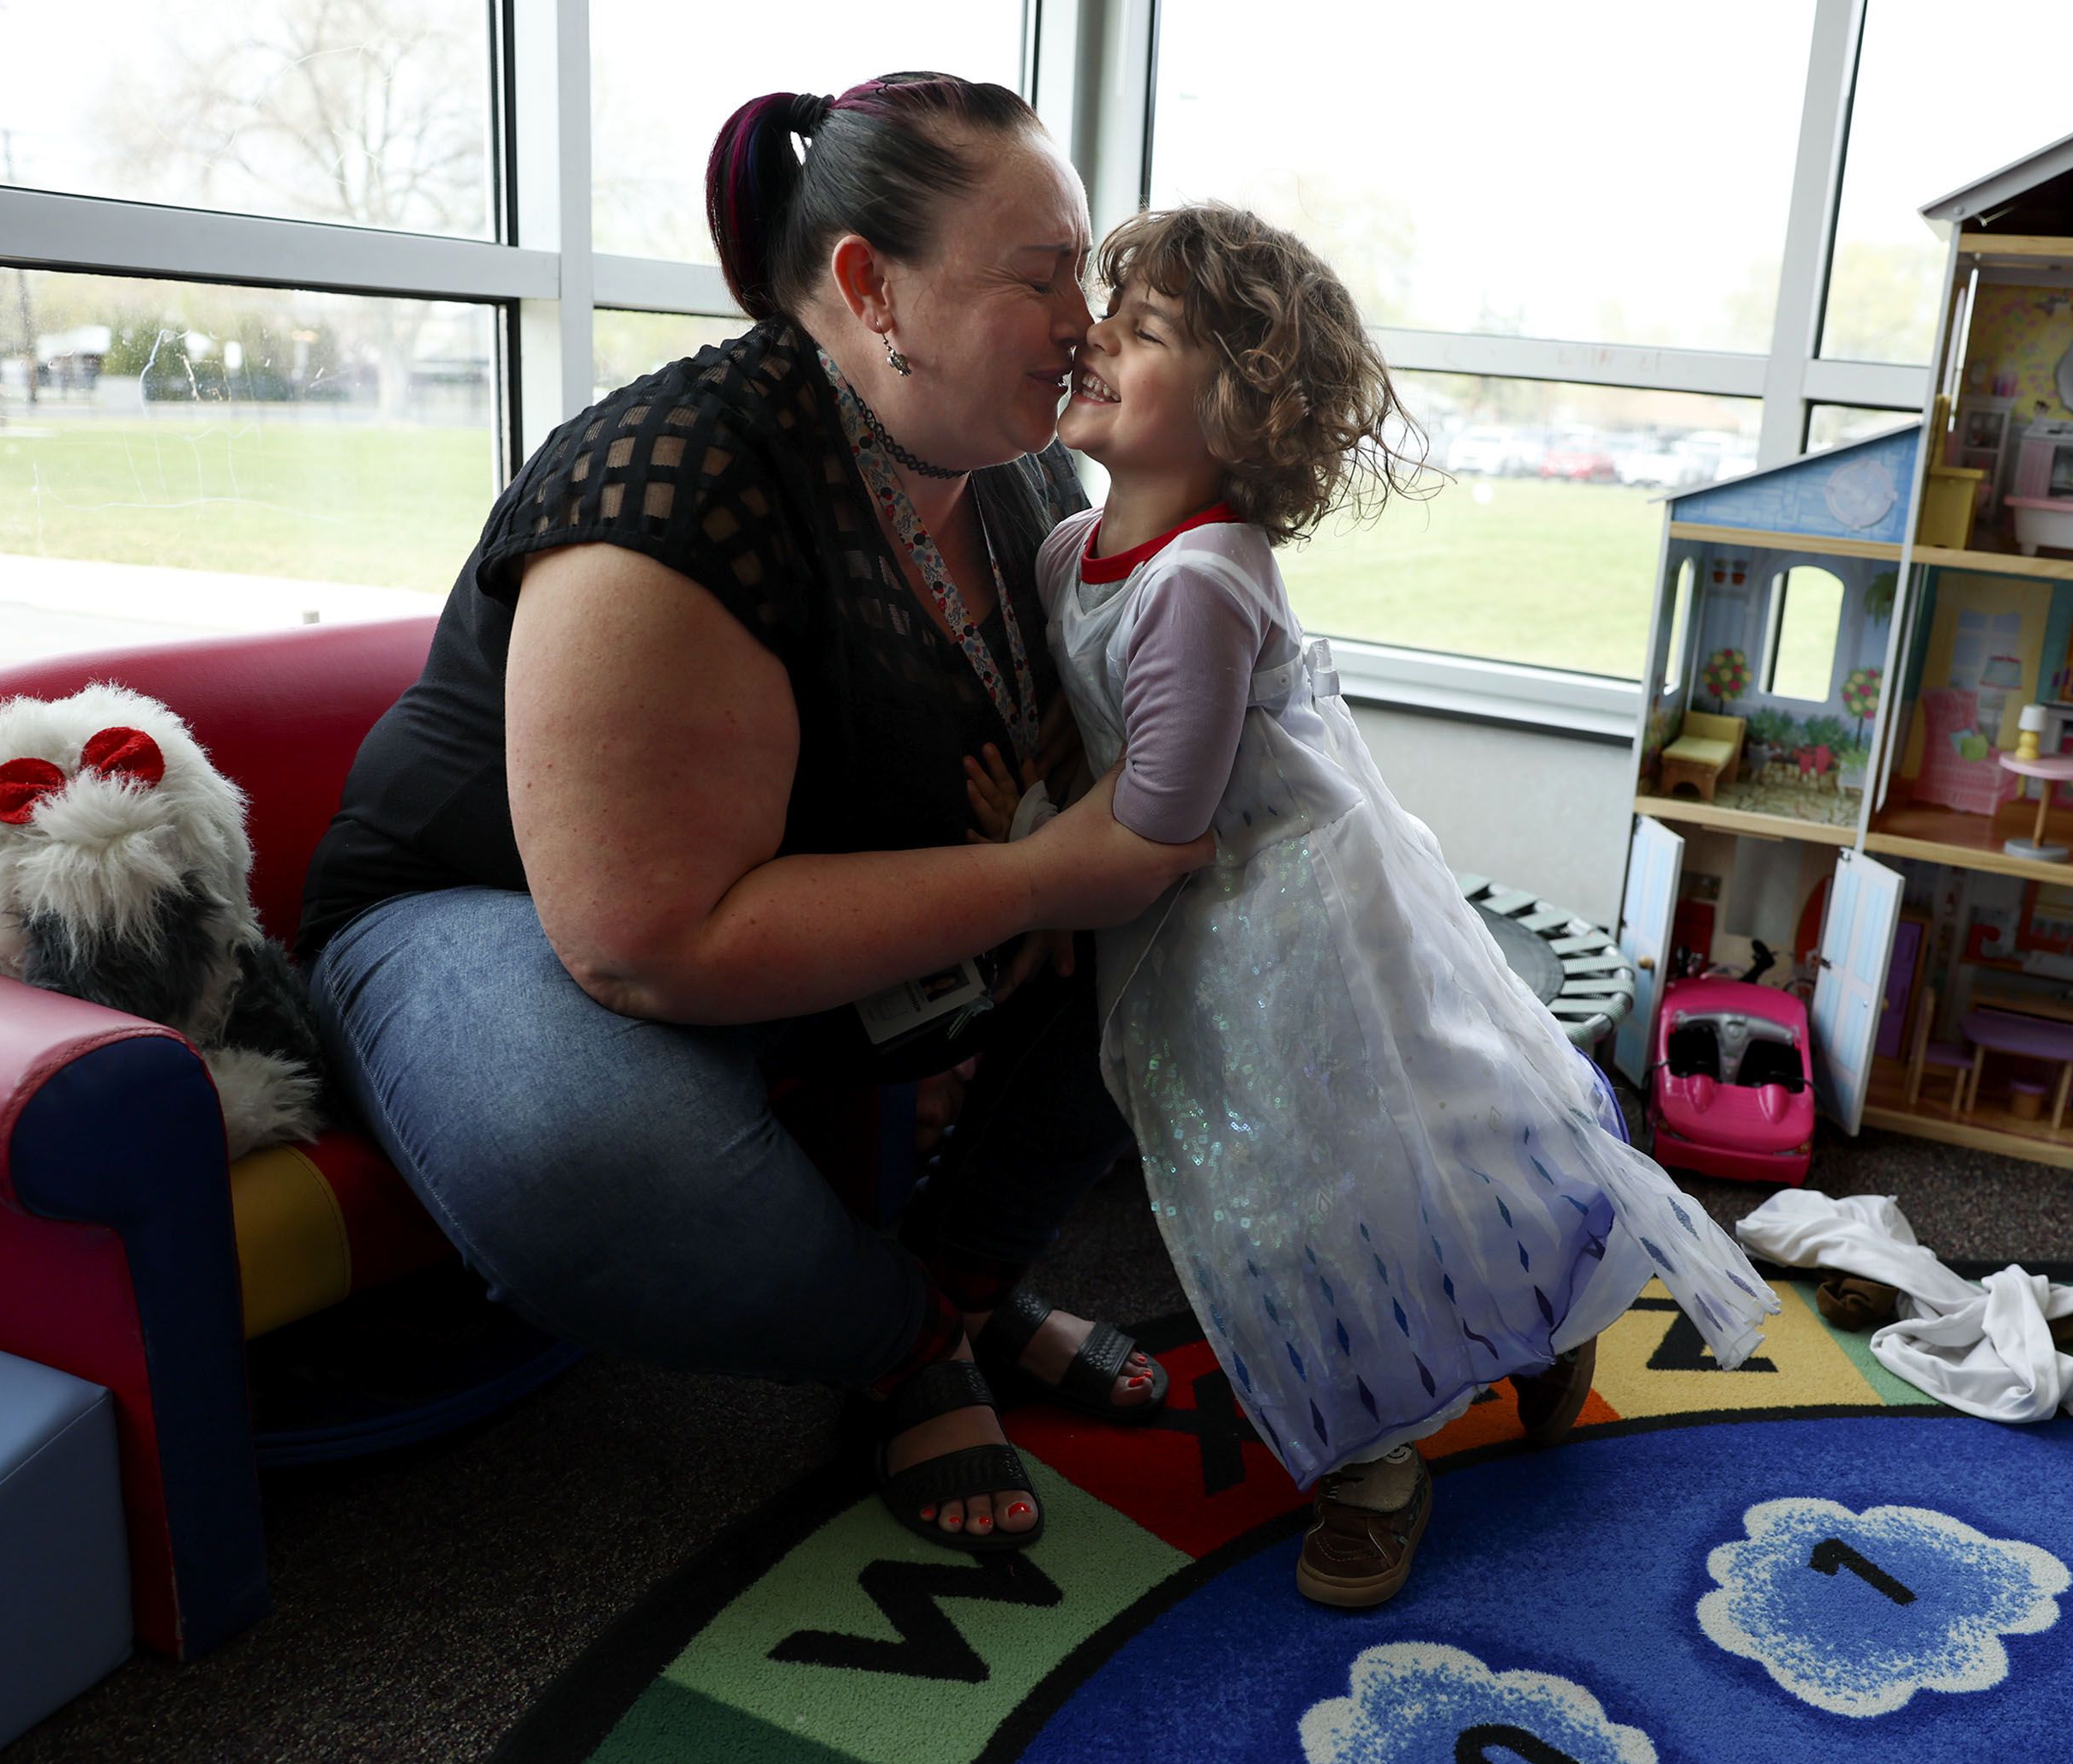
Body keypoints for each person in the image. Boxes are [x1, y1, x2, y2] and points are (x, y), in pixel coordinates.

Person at [297, 74, 1209, 1554]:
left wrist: (1060, 867)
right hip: (489, 916)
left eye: (1084, 277)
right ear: (869, 287)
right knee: (572, 1143)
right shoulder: (674, 479)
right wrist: (1041, 879)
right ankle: (904, 1335)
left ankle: (969, 1278)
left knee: (1211, 905)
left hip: (803, 907)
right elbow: (641, 943)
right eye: (1041, 277)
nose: (1082, 324)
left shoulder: (1017, 473)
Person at [1001, 203, 1782, 1606]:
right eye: (1106, 313)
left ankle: (1385, 1458)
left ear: (1237, 409)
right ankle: (1496, 1342)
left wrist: (1016, 867)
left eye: (1147, 330)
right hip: (1184, 917)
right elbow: (1092, 744)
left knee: (1331, 1180)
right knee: (1253, 1187)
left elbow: (1159, 814)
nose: (1095, 337)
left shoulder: (1204, 580)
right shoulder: (1072, 551)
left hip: (1285, 921)